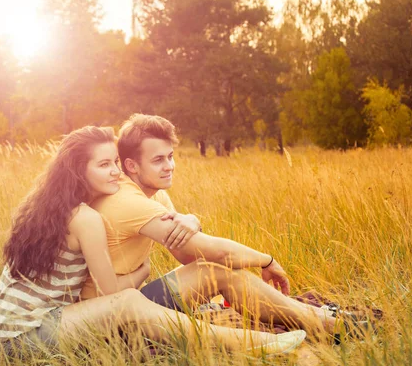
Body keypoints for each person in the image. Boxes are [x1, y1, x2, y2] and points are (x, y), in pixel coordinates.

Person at [0, 125, 307, 356]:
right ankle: (252, 344)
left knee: (165, 288)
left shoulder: (58, 205)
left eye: (116, 163)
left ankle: (314, 323)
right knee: (128, 302)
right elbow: (114, 296)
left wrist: (191, 219)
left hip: (35, 325)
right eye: (104, 165)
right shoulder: (84, 218)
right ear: (79, 171)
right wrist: (142, 271)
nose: (115, 172)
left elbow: (186, 246)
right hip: (17, 339)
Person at [80, 114, 347, 337]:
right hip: (104, 317)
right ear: (132, 166)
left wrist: (192, 219)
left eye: (170, 156)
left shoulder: (155, 194)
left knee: (214, 269)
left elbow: (185, 254)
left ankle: (311, 317)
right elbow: (217, 252)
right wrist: (267, 261)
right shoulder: (126, 200)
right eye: (158, 160)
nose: (169, 166)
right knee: (216, 271)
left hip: (130, 300)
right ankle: (322, 323)